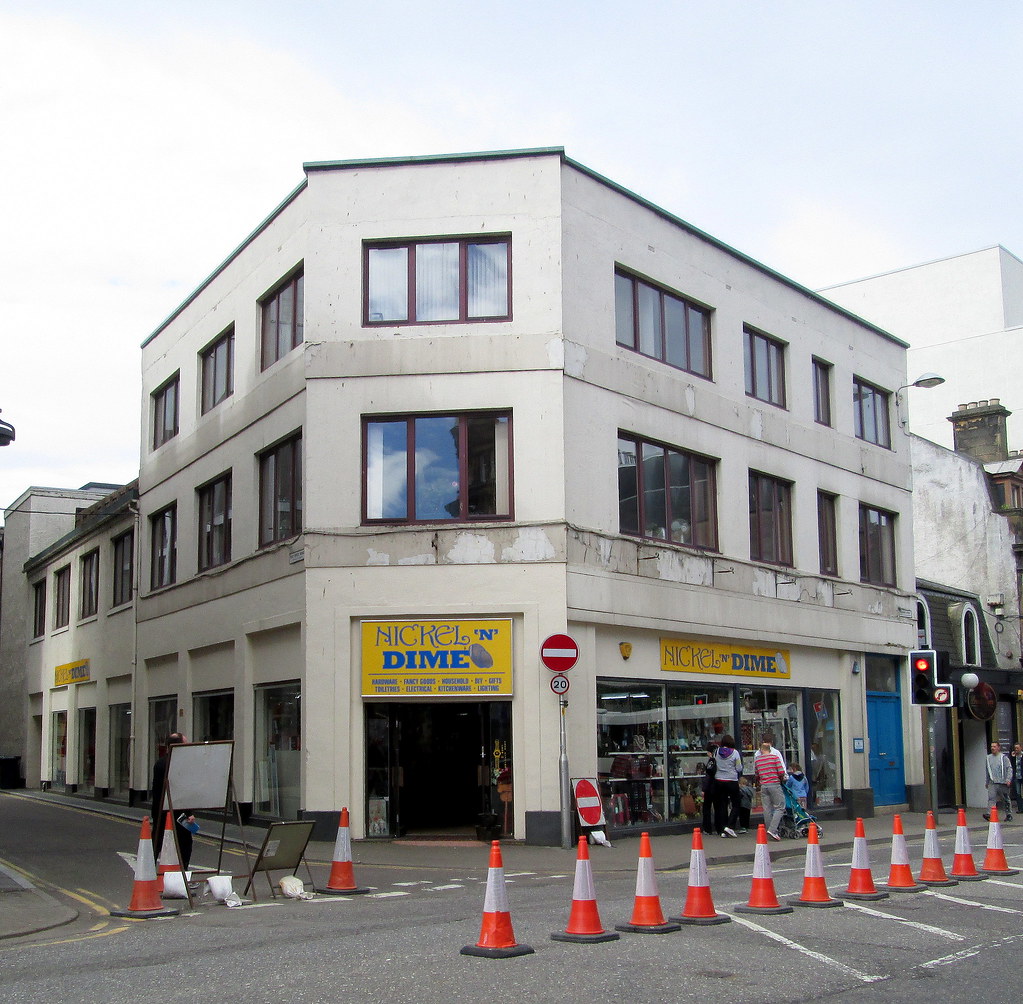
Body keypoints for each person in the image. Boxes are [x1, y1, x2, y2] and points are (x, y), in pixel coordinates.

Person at [151, 733, 197, 869]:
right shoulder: (177, 764)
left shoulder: (160, 763)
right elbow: (181, 790)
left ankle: (150, 872)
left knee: (157, 843)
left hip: (161, 811)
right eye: (185, 744)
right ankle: (183, 875)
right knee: (184, 844)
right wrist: (189, 813)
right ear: (177, 746)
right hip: (177, 813)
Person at [754, 740, 788, 840]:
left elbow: (756, 774)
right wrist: (780, 779)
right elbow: (781, 772)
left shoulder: (758, 760)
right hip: (774, 784)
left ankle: (769, 830)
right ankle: (772, 829)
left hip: (764, 785)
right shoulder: (775, 758)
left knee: (767, 809)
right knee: (780, 807)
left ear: (761, 750)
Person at [712, 734, 743, 838]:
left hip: (719, 780)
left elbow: (714, 764)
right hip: (731, 781)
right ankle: (730, 826)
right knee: (736, 804)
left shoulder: (716, 751)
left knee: (722, 805)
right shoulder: (735, 753)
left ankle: (723, 828)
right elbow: (739, 768)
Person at [984, 740, 1014, 822]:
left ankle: (1008, 814)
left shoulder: (1003, 758)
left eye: (994, 746)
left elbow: (1009, 769)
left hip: (1002, 782)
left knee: (1005, 799)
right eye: (991, 746)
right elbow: (987, 770)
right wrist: (987, 782)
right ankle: (989, 814)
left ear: (998, 747)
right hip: (992, 782)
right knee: (991, 798)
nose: (992, 748)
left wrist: (1008, 779)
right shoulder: (988, 758)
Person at [700, 742, 717, 835]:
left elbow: (708, 776)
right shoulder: (719, 760)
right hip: (717, 786)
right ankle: (719, 827)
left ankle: (707, 828)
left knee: (706, 808)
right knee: (718, 807)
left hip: (710, 788)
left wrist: (704, 789)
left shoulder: (711, 761)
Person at [1011, 743, 1023, 814]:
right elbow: (1011, 766)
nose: (1016, 750)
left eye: (1017, 748)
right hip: (1017, 776)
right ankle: (1020, 808)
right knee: (1018, 793)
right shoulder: (1014, 756)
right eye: (1015, 748)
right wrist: (1012, 757)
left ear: (1021, 748)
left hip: (1022, 775)